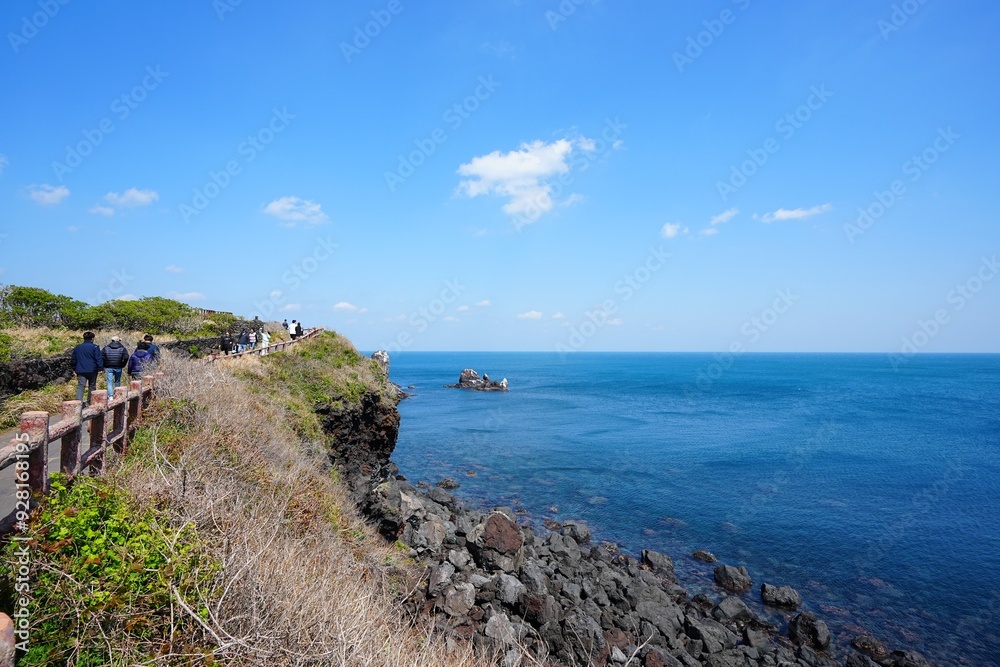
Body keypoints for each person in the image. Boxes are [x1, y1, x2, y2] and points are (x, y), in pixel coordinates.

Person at [71, 332, 103, 405]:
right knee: (92, 386)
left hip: (80, 369)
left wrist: (74, 369)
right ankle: (90, 401)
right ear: (92, 339)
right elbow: (98, 358)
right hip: (92, 370)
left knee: (81, 386)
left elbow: (73, 359)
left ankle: (78, 403)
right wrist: (100, 368)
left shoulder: (78, 347)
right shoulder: (95, 347)